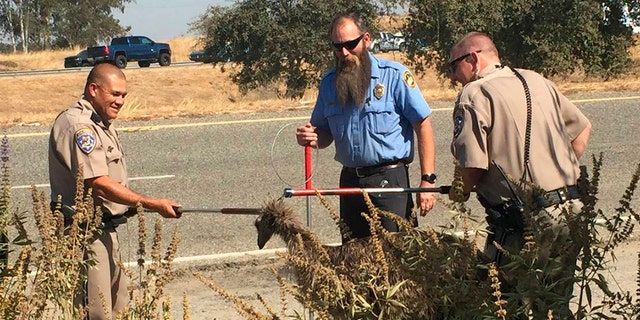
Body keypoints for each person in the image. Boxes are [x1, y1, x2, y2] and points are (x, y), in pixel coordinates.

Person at [447, 32, 591, 318]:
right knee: (555, 306)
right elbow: (582, 130)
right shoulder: (536, 79)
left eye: (453, 67)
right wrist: (553, 176)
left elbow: (473, 166)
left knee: (504, 303)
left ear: (473, 58)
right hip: (571, 212)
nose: (452, 77)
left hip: (524, 225)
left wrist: (458, 191)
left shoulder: (474, 94)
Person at [48, 62, 181, 320]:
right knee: (95, 313)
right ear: (93, 89)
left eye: (123, 95)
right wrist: (151, 203)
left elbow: (112, 182)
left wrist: (130, 206)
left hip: (106, 229)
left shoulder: (103, 122)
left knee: (119, 309)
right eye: (114, 94)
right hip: (84, 235)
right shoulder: (80, 126)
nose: (120, 101)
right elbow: (98, 182)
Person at [295, 13, 437, 242]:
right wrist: (311, 137)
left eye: (351, 45)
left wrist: (428, 181)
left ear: (366, 39)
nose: (344, 53)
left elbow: (423, 124)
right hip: (350, 184)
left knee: (397, 258)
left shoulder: (394, 76)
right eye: (337, 46)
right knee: (353, 261)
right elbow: (323, 135)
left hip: (390, 182)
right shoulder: (329, 83)